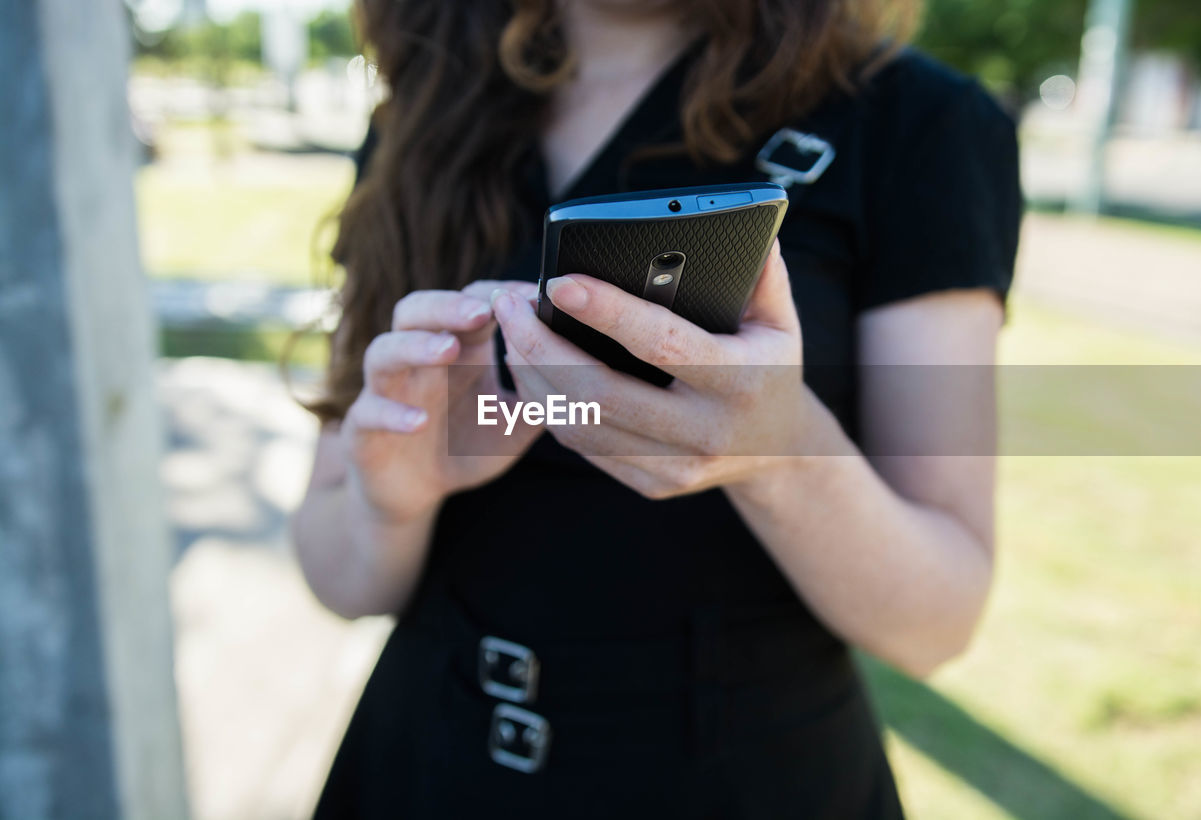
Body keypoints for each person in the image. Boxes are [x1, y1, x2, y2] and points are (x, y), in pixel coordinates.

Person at [291, 0, 1021, 816]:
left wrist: (778, 454)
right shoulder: (421, 117)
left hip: (741, 785)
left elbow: (939, 622)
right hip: (425, 767)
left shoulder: (915, 121)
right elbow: (340, 577)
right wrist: (395, 498)